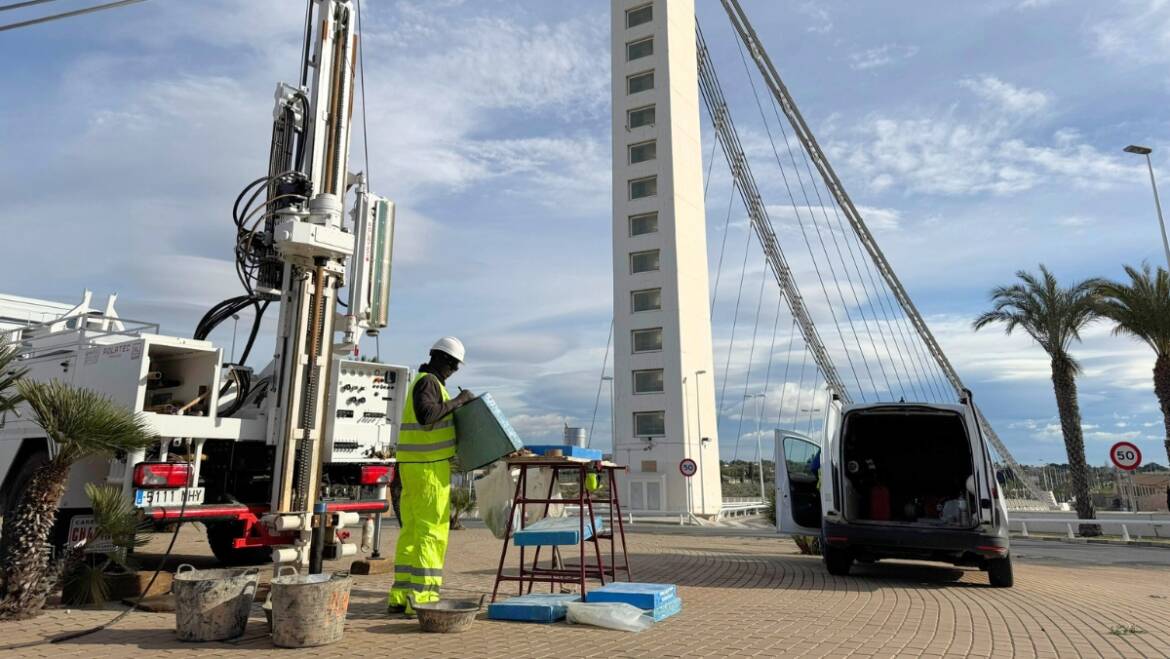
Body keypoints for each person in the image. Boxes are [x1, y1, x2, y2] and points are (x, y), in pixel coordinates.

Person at [387, 337, 475, 616]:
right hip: (428, 469)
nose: (455, 370)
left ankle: (401, 595)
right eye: (454, 365)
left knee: (412, 532)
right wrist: (460, 401)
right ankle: (422, 597)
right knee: (432, 532)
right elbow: (426, 415)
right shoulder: (428, 383)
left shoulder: (425, 382)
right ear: (443, 359)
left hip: (414, 467)